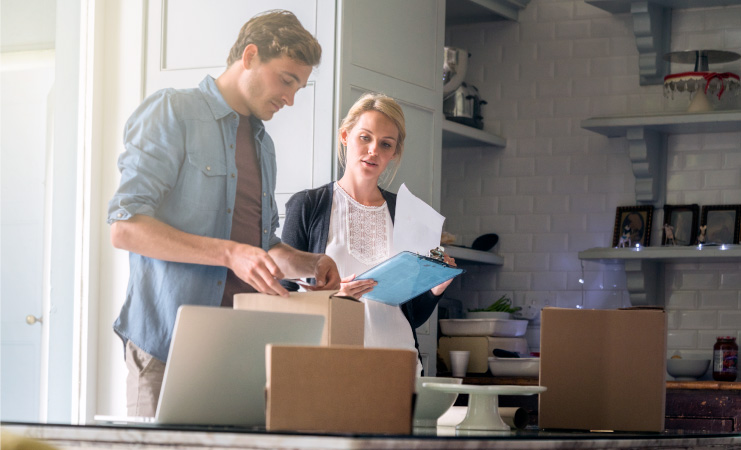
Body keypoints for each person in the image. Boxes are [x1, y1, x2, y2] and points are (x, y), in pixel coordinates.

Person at [107, 10, 341, 417]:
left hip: (240, 347)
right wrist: (229, 253)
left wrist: (311, 263)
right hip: (165, 344)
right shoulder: (172, 112)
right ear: (250, 56)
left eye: (299, 87)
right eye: (286, 79)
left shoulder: (263, 145)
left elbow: (263, 245)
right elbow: (126, 229)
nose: (290, 98)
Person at [281, 92, 455, 375]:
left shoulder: (406, 212)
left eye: (386, 144)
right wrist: (334, 298)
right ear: (345, 136)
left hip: (399, 364)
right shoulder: (308, 206)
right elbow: (282, 297)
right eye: (365, 137)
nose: (374, 149)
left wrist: (437, 287)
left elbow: (410, 314)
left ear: (394, 153)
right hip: (329, 364)